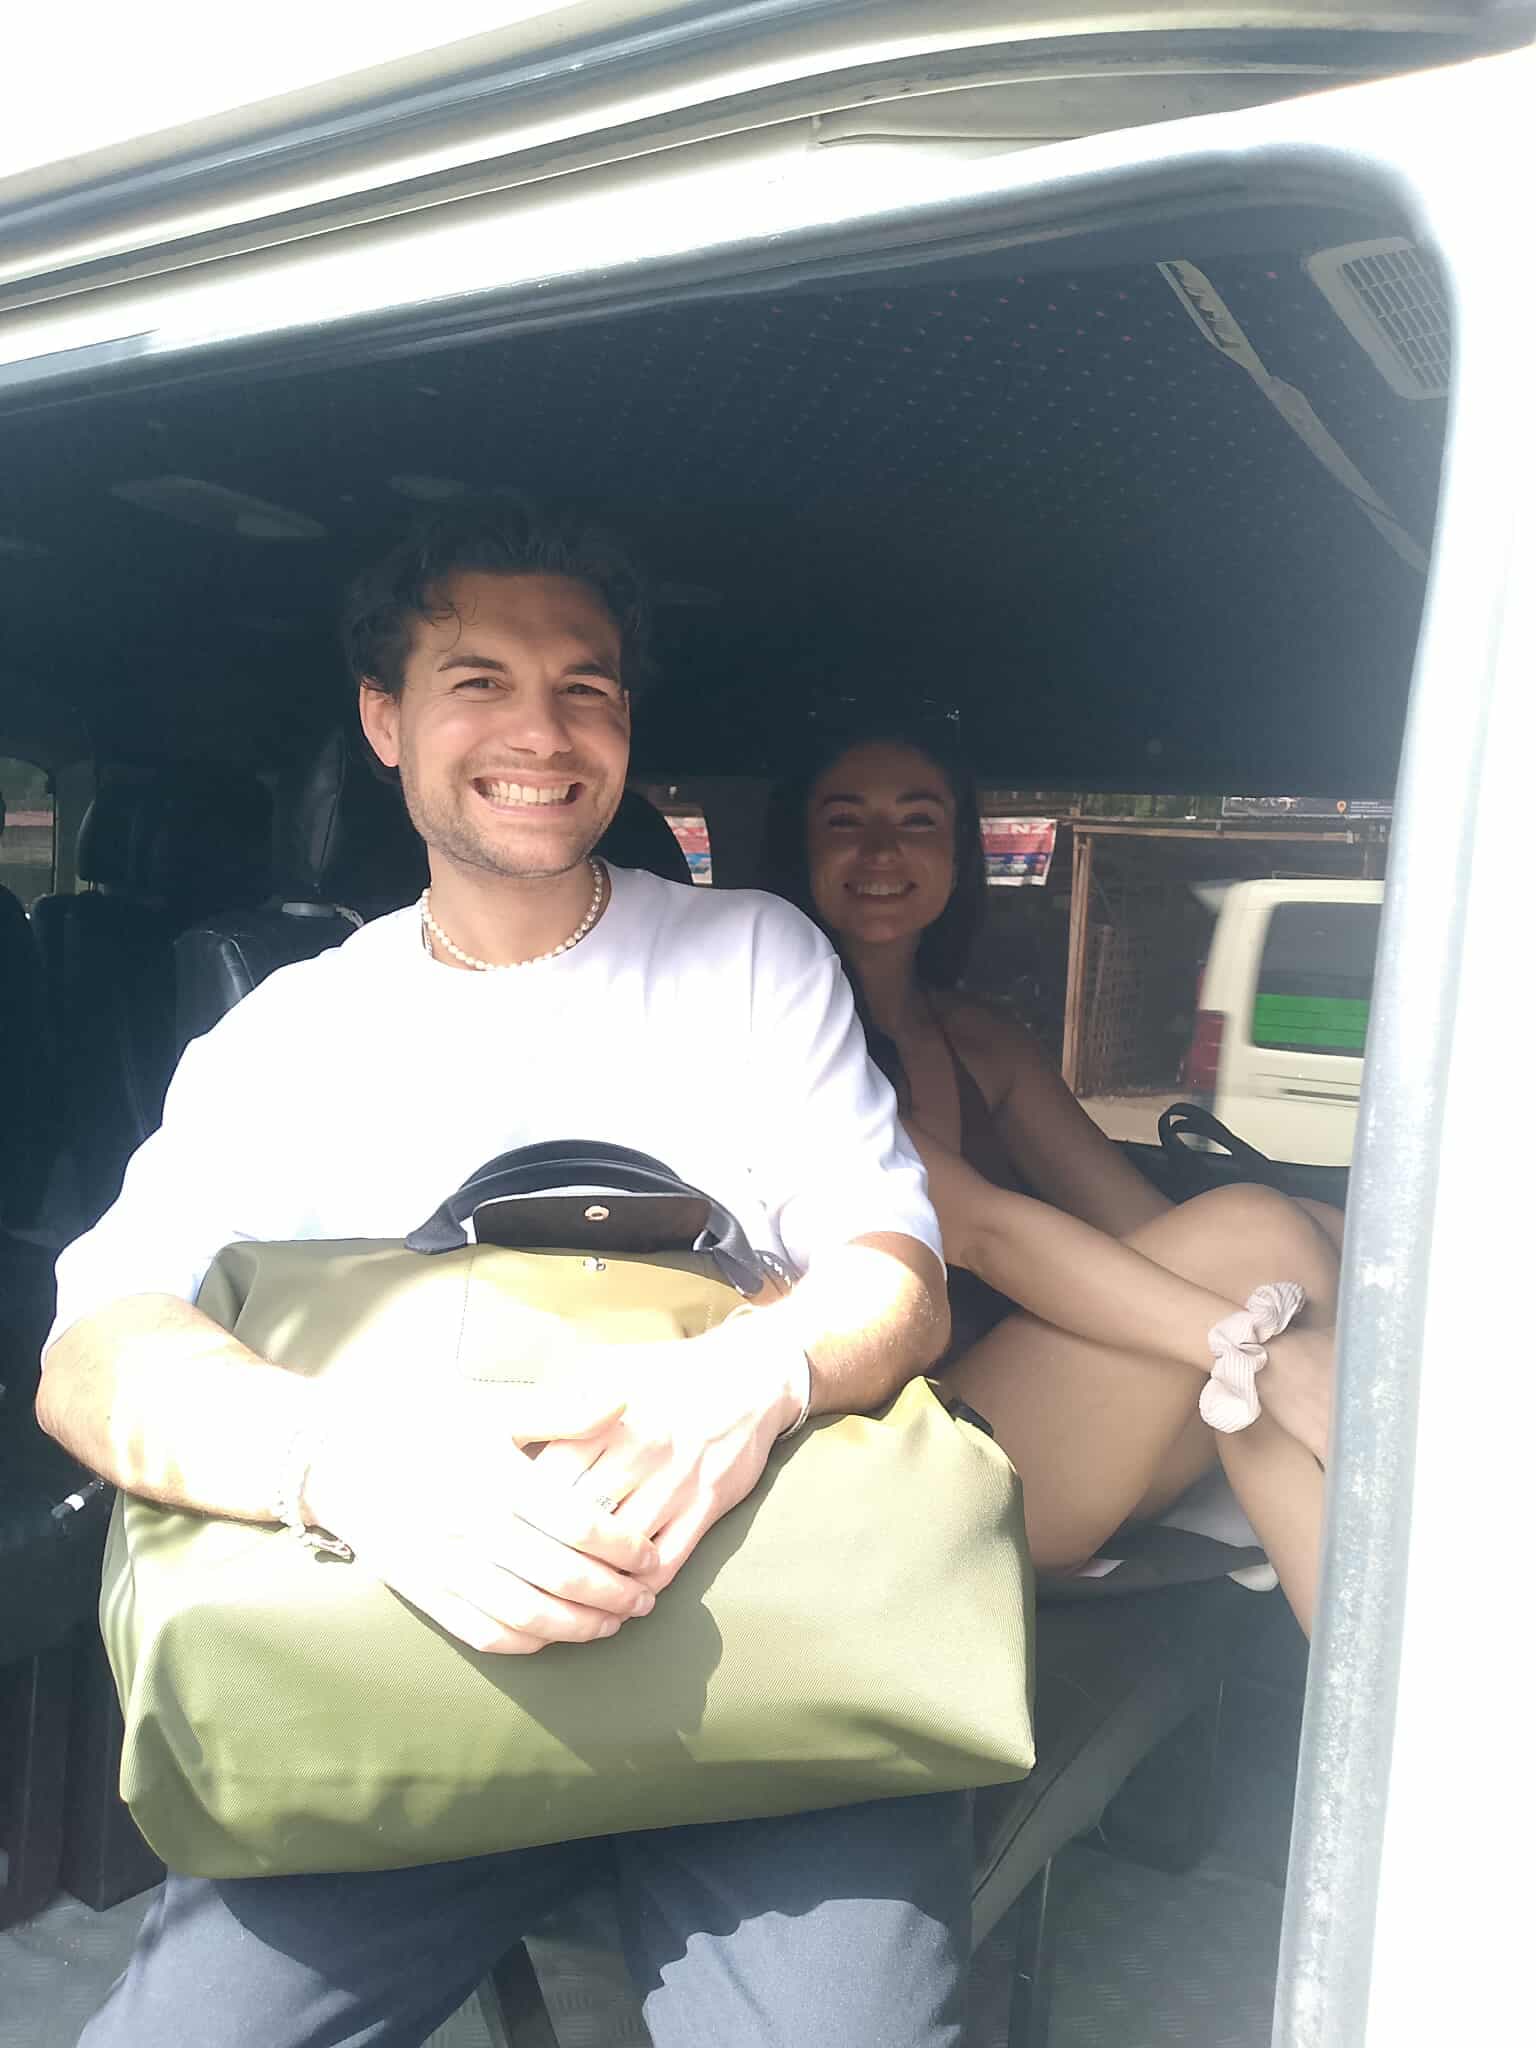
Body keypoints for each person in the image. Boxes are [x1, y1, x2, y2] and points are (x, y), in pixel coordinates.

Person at [35, 505, 967, 2048]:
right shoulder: (288, 1033)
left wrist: (760, 1365)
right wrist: (341, 1467)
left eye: (585, 689)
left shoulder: (755, 956)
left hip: (763, 1647)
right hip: (408, 1644)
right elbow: (98, 1347)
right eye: (478, 680)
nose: (541, 730)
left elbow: (897, 1263)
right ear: (385, 723)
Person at [761, 726, 1343, 1637]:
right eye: (846, 821)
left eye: (919, 821)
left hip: (1041, 1434)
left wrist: (1267, 1331)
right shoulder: (780, 1033)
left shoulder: (975, 1037)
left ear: (958, 851)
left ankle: (1357, 1656)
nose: (883, 851)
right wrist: (1255, 1346)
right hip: (905, 1469)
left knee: (1296, 1242)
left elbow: (1134, 1221)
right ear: (799, 844)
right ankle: (1377, 1704)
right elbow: (986, 1231)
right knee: (1259, 1251)